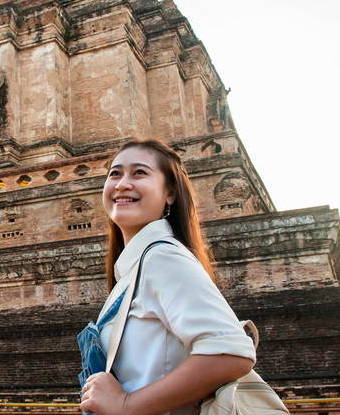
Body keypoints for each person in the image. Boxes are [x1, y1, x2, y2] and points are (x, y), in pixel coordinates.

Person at [80, 139, 256, 415]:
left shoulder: (161, 258)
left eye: (139, 173)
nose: (122, 184)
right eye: (115, 173)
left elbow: (231, 352)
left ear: (170, 193)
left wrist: (126, 404)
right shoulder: (135, 268)